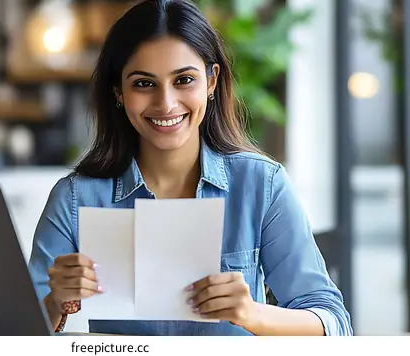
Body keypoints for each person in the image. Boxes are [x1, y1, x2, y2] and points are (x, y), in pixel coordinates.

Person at [27, 0, 353, 336]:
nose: (166, 103)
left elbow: (334, 324)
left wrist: (252, 314)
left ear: (211, 82)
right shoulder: (76, 198)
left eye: (184, 80)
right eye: (143, 83)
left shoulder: (262, 185)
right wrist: (56, 302)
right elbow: (13, 335)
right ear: (118, 91)